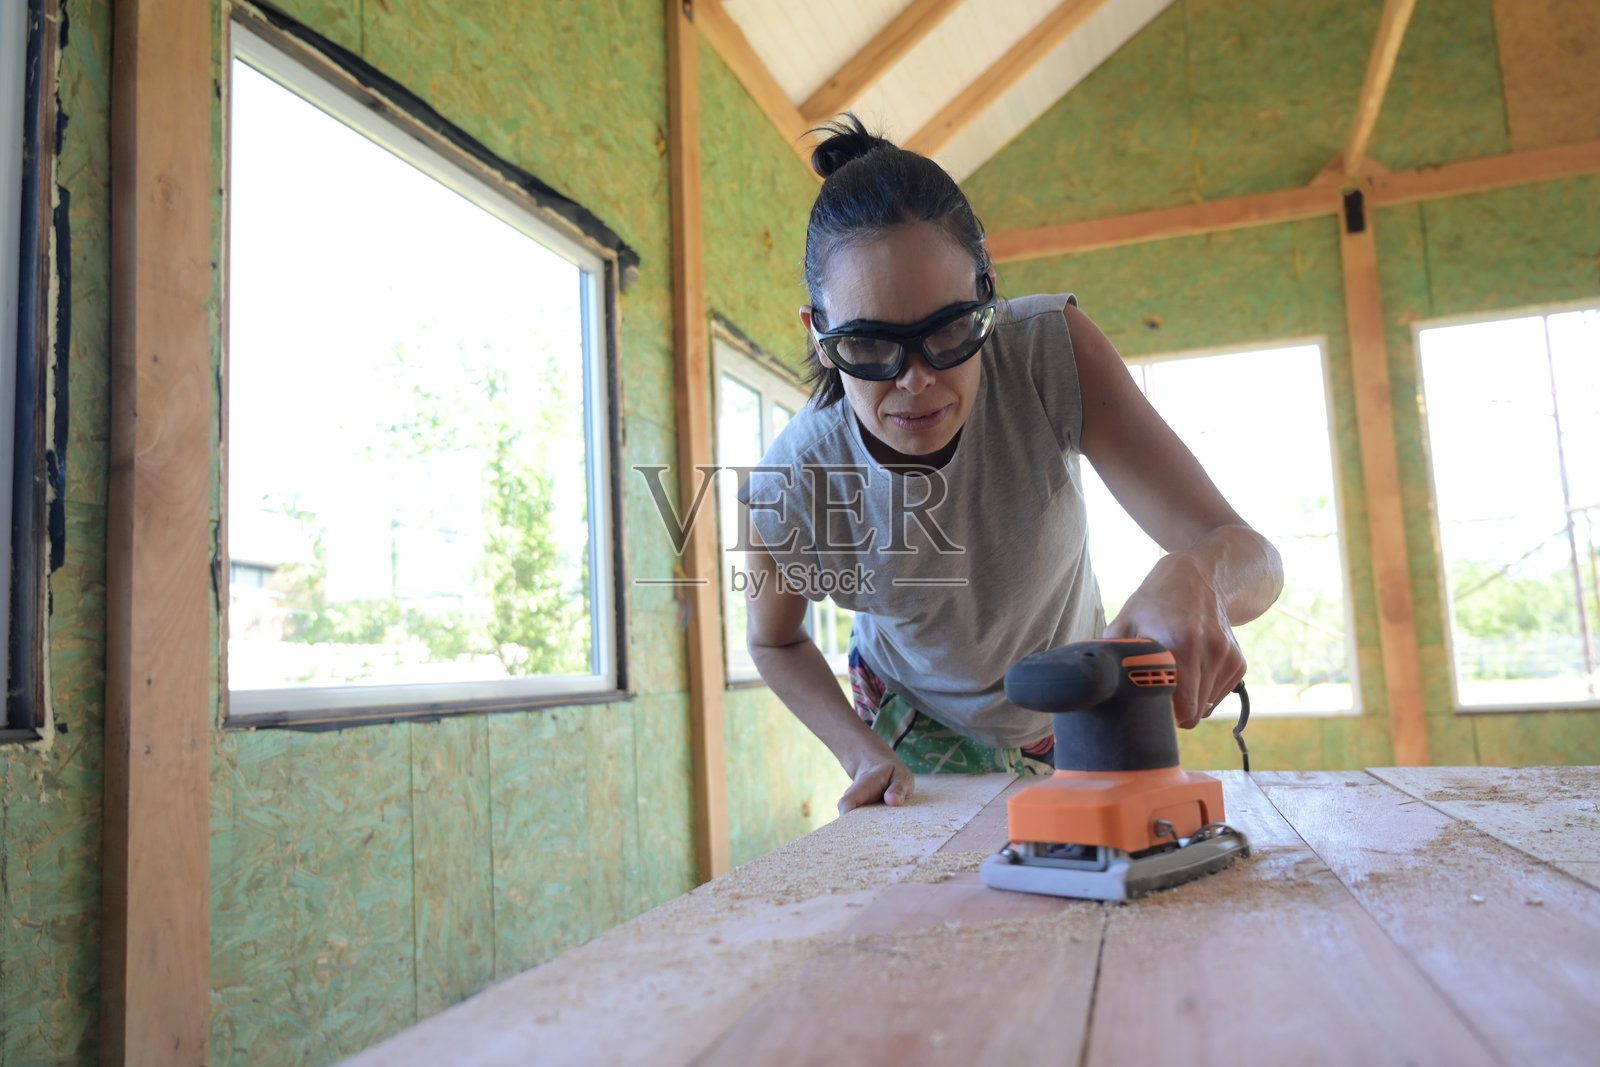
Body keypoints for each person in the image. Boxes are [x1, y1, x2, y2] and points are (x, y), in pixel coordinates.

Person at [738, 116, 1283, 816]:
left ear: (987, 296)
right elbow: (773, 639)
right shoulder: (791, 485)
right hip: (912, 722)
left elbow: (1253, 556)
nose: (914, 379)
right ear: (819, 334)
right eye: (870, 345)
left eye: (947, 331)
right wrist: (861, 749)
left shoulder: (1049, 357)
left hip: (1073, 703)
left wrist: (1198, 572)